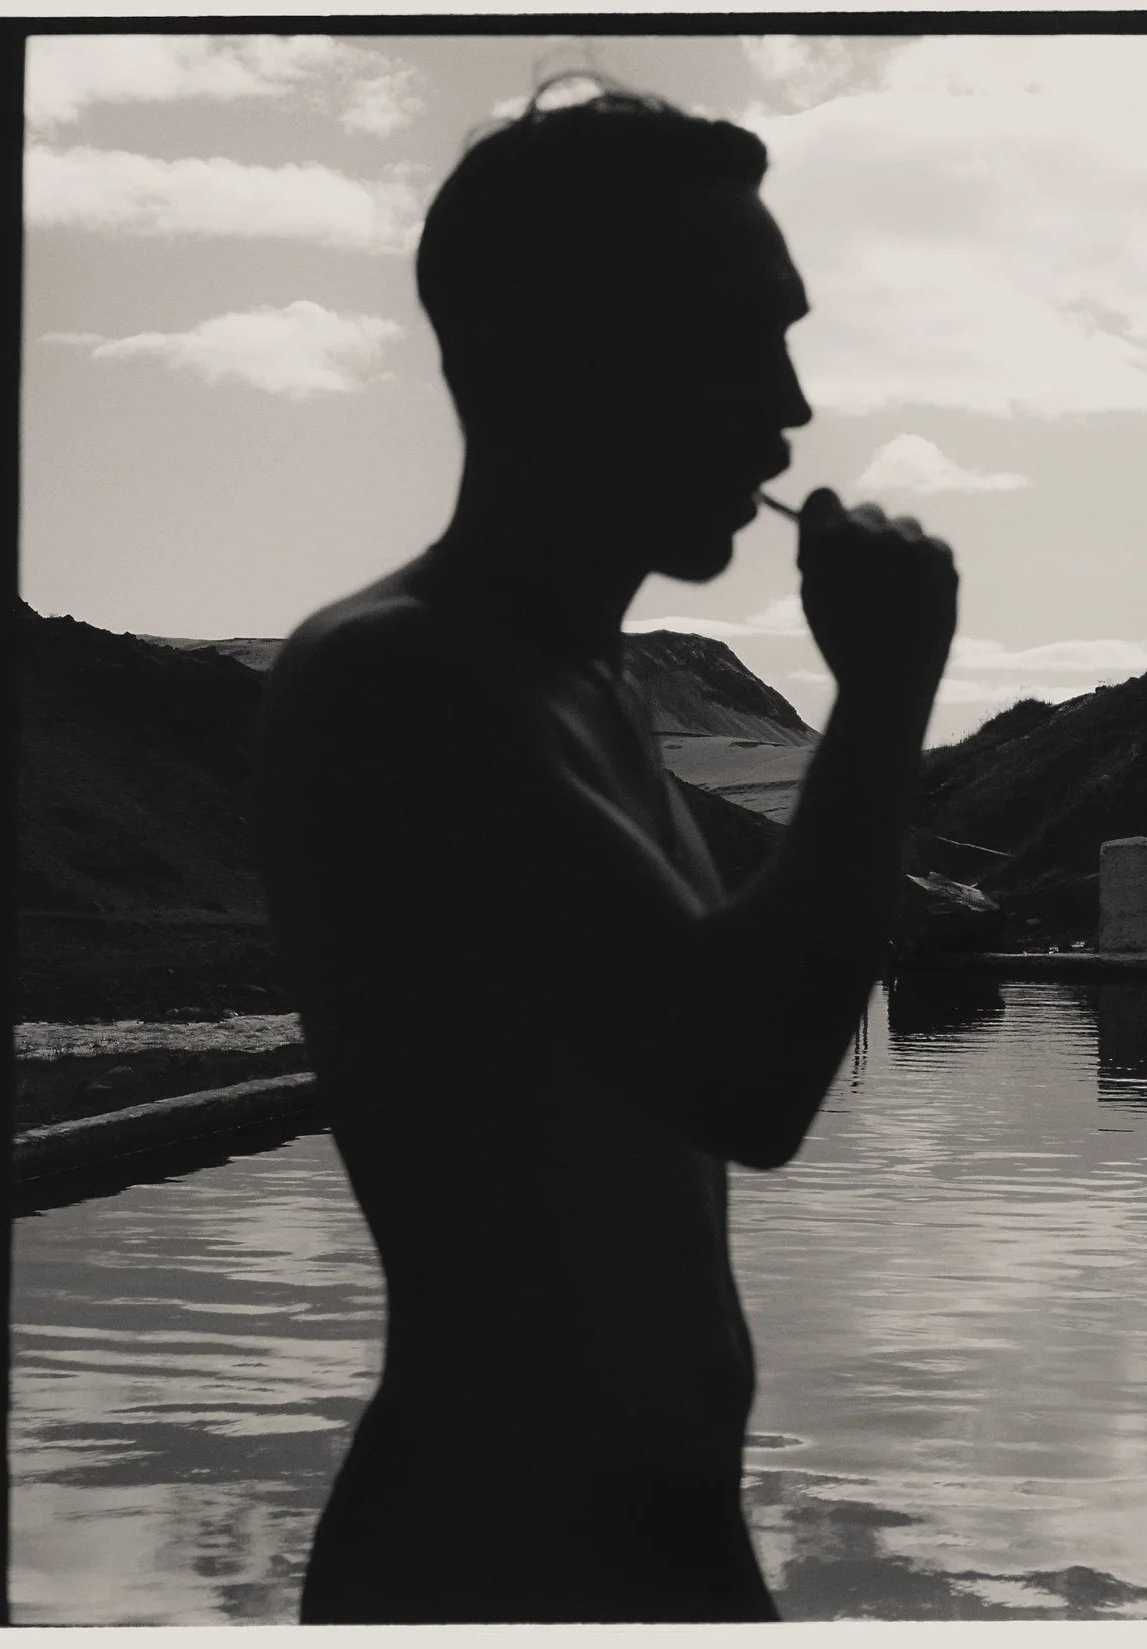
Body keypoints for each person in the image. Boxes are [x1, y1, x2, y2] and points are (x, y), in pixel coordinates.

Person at [255, 80, 957, 1625]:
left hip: (655, 1546)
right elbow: (750, 1076)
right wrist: (886, 694)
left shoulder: (587, 690)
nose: (790, 406)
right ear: (557, 349)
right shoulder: (405, 683)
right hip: (495, 1562)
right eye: (740, 337)